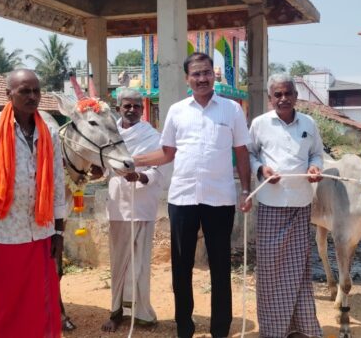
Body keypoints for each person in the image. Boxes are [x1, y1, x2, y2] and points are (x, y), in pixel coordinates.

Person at [134, 52, 252, 338]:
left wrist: (246, 190)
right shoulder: (176, 110)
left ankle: (220, 330)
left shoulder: (232, 110)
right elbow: (167, 153)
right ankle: (184, 328)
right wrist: (135, 160)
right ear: (187, 79)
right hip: (183, 199)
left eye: (206, 72)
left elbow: (241, 152)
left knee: (221, 267)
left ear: (215, 75)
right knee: (181, 267)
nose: (202, 78)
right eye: (196, 74)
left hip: (220, 199)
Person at [0, 69, 66, 338]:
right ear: (9, 94)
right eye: (25, 91)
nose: (32, 96)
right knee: (2, 305)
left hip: (41, 233)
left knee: (41, 306)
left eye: (36, 91)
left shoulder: (49, 132)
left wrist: (59, 231)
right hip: (0, 235)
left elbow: (56, 185)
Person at [247, 74, 323, 338]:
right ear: (270, 99)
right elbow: (249, 154)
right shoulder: (259, 124)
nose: (283, 99)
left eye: (287, 93)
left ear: (295, 95)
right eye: (277, 95)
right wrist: (261, 169)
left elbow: (316, 153)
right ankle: (273, 330)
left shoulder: (309, 123)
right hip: (270, 204)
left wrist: (315, 167)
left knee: (298, 270)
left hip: (301, 204)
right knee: (270, 271)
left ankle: (300, 327)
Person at [101, 88, 169, 332]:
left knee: (139, 262)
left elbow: (159, 170)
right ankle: (116, 312)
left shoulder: (152, 136)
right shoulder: (109, 134)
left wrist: (139, 175)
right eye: (127, 106)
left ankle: (141, 313)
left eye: (136, 106)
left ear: (143, 109)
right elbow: (102, 165)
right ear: (118, 108)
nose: (132, 110)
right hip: (117, 203)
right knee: (118, 261)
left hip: (142, 206)